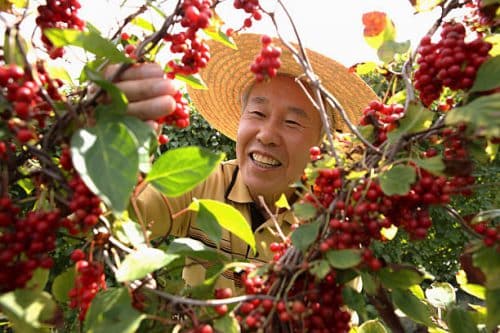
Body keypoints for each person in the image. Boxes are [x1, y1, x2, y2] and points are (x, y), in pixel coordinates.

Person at [115, 33, 377, 290]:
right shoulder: (202, 184)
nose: (266, 135)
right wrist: (112, 140)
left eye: (292, 122)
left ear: (322, 144)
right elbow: (113, 215)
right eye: (257, 113)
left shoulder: (332, 225)